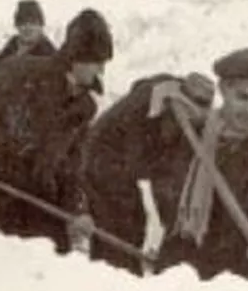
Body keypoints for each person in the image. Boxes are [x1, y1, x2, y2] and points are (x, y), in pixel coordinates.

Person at [0, 8, 113, 253]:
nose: (100, 71)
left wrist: (78, 210)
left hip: (41, 205)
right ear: (77, 58)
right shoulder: (20, 73)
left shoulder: (84, 107)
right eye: (97, 63)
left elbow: (72, 165)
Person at [150, 48, 248, 281]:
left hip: (238, 279)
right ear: (224, 90)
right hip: (178, 275)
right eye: (243, 97)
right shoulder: (188, 138)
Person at [74, 71, 216, 275]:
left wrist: (174, 240)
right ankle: (114, 277)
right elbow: (94, 143)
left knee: (179, 217)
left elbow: (176, 186)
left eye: (196, 116)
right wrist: (81, 203)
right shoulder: (139, 106)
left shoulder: (196, 129)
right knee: (123, 222)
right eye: (187, 111)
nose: (191, 119)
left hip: (153, 159)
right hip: (107, 158)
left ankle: (170, 271)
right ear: (175, 101)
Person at [0, 0, 58, 70]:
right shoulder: (13, 43)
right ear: (17, 26)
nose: (27, 28)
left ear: (40, 26)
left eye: (32, 23)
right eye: (23, 23)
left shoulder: (47, 52)